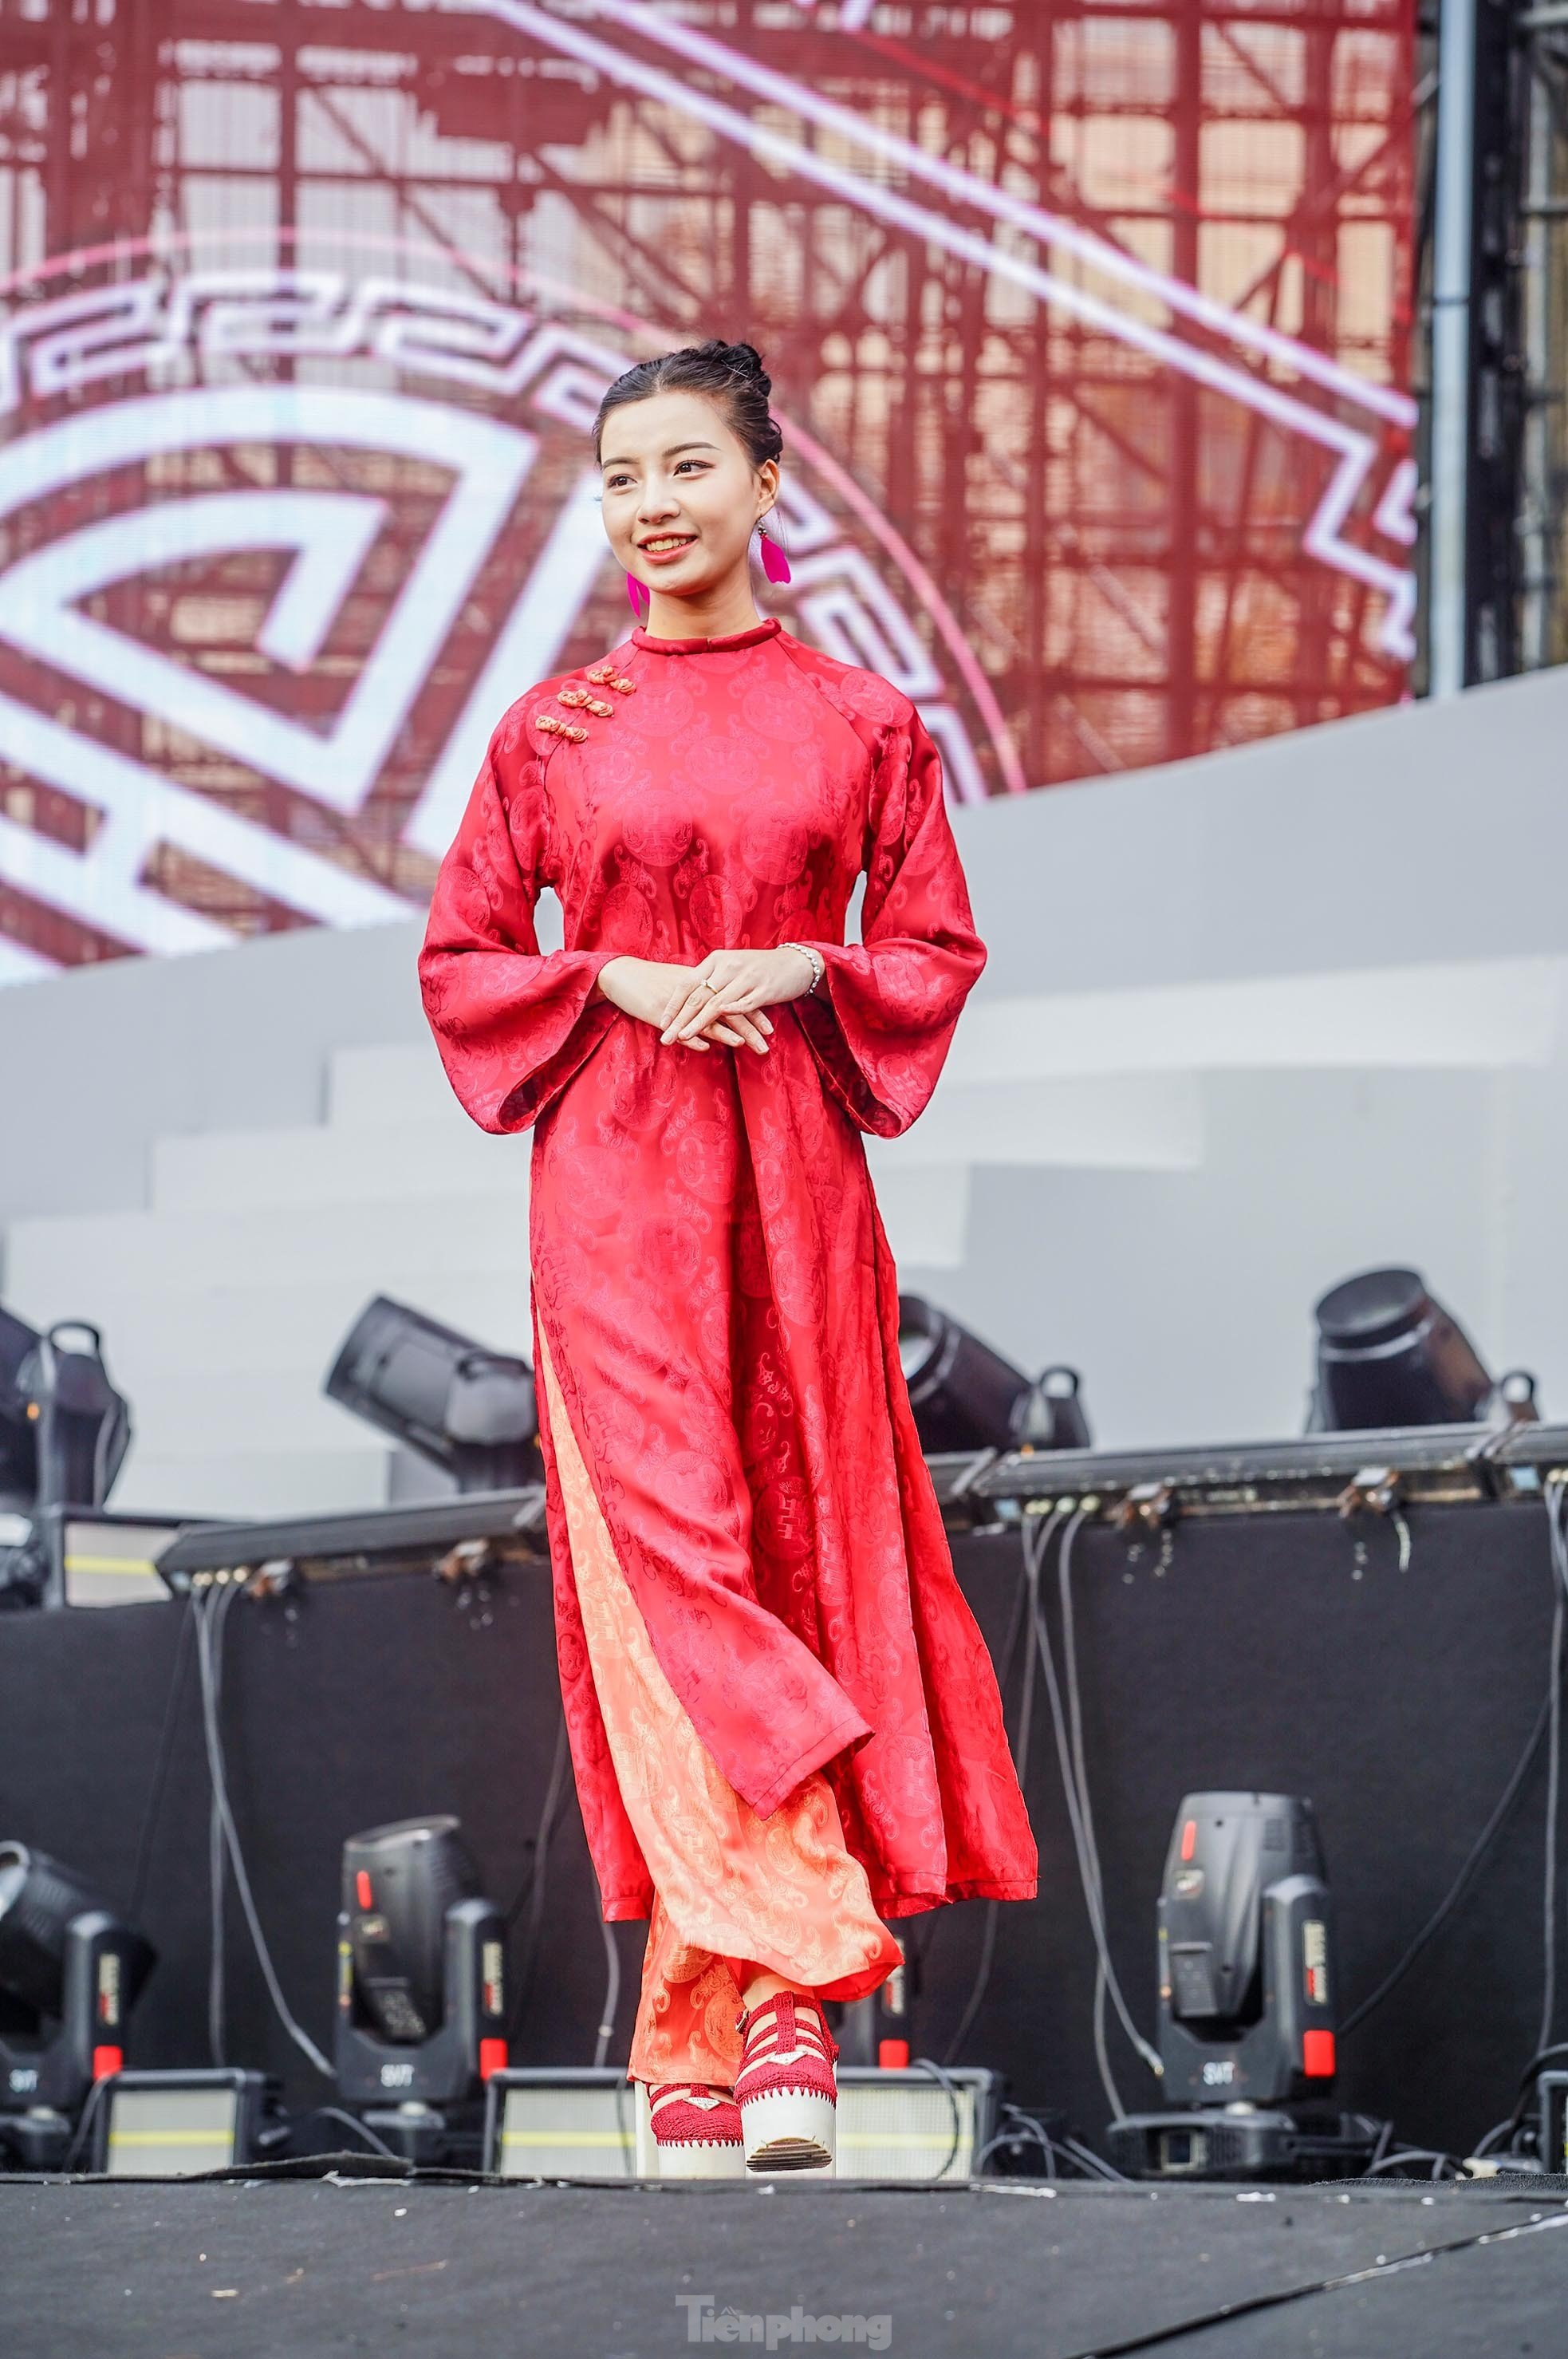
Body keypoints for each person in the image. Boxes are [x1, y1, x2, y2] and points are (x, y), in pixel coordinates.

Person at [418, 338, 1036, 2177]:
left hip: (793, 1160)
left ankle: (716, 2024)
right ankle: (796, 1939)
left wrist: (806, 966)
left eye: (685, 468)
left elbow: (929, 949)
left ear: (770, 490)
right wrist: (598, 969)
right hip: (611, 1164)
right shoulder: (547, 730)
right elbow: (462, 960)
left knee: (791, 1534)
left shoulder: (863, 723)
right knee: (670, 1556)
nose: (651, 506)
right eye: (620, 478)